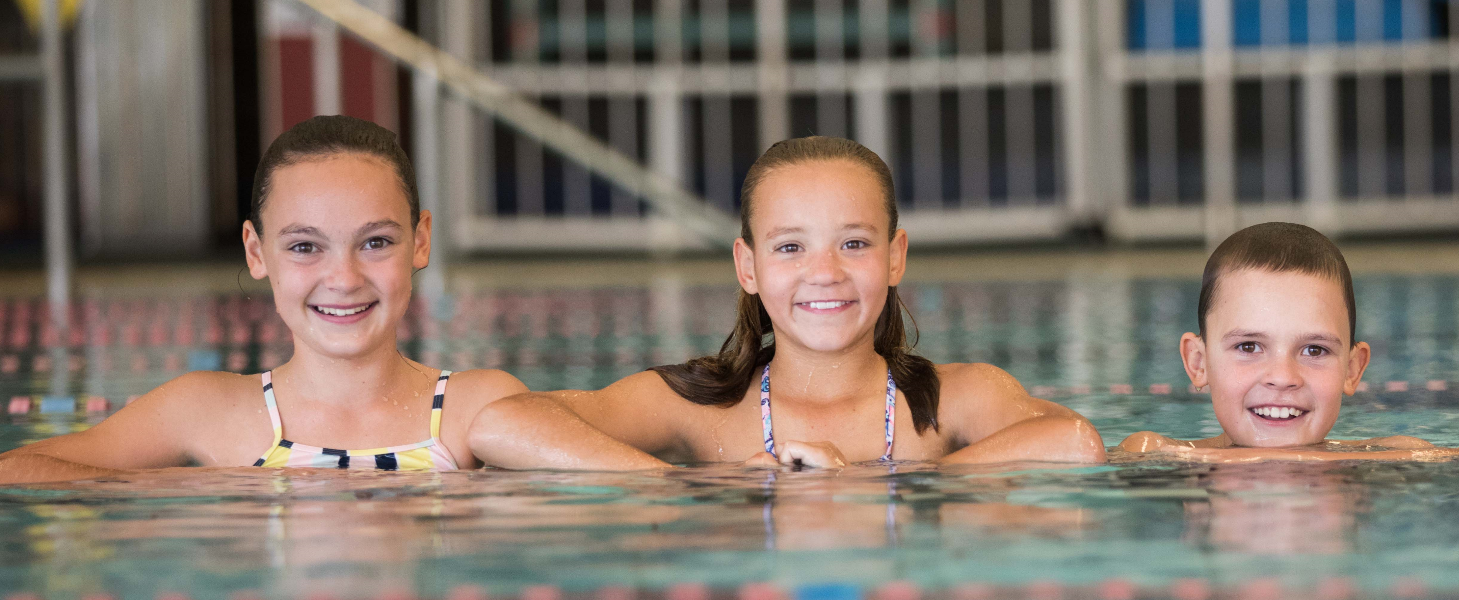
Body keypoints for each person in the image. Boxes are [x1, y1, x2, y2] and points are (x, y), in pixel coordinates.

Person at [466, 136, 1105, 469]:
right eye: (790, 248)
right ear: (748, 265)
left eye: (853, 243)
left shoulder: (950, 400)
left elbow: (1074, 442)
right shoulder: (703, 410)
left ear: (894, 256)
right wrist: (691, 486)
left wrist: (876, 483)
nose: (823, 273)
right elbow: (500, 424)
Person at [0, 116, 529, 484]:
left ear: (420, 240)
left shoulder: (476, 408)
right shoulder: (206, 411)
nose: (342, 278)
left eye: (375, 242)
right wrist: (175, 487)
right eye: (305, 246)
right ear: (256, 252)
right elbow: (15, 470)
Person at [1116, 222, 1459, 463]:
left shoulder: (1398, 457)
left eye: (1314, 350)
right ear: (1199, 363)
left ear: (1352, 369)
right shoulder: (1154, 456)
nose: (1282, 377)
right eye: (1248, 347)